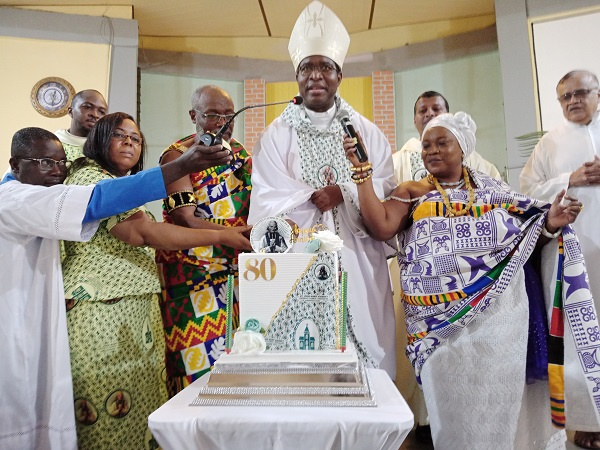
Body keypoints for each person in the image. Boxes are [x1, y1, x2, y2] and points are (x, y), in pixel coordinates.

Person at [344, 111, 600, 449]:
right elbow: (380, 226)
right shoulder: (412, 191)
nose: (431, 151)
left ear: (462, 148)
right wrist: (362, 173)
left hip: (501, 322)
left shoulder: (495, 192)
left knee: (504, 404)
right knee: (451, 410)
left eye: (441, 143)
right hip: (436, 327)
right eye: (426, 145)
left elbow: (527, 235)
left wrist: (551, 221)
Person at [0, 126, 235, 449]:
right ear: (15, 164)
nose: (56, 171)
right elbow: (115, 212)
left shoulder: (51, 189)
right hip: (88, 319)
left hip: (127, 318)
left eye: (60, 163)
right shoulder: (20, 197)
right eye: (44, 162)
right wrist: (183, 166)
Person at [60, 112, 251, 448]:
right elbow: (144, 232)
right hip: (100, 315)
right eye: (120, 135)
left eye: (135, 138)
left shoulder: (121, 187)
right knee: (106, 414)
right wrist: (222, 236)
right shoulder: (88, 178)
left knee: (141, 410)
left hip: (138, 313)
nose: (129, 143)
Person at [248, 0, 396, 377]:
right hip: (298, 255)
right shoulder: (274, 135)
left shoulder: (368, 132)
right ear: (296, 77)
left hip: (357, 257)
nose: (316, 75)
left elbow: (387, 190)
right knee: (302, 354)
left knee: (361, 344)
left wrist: (343, 192)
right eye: (307, 68)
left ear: (339, 76)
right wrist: (310, 198)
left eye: (325, 67)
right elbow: (265, 197)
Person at [521, 69, 600, 450]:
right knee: (578, 335)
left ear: (597, 92)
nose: (573, 101)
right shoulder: (549, 144)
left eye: (580, 93)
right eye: (565, 97)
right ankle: (587, 423)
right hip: (571, 254)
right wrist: (571, 178)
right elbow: (528, 192)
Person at [156, 85, 253, 396]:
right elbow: (184, 217)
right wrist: (230, 234)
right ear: (193, 115)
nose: (222, 122)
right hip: (191, 271)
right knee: (194, 359)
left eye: (229, 116)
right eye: (213, 115)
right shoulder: (177, 155)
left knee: (237, 357)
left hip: (236, 270)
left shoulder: (240, 154)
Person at [393, 90, 501, 184]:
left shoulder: (469, 156)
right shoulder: (398, 161)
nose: (429, 113)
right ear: (414, 120)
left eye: (436, 109)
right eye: (423, 111)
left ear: (448, 115)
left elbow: (495, 187)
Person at [55, 89, 108, 161]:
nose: (95, 115)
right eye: (87, 107)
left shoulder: (106, 148)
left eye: (101, 112)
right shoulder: (53, 143)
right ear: (71, 111)